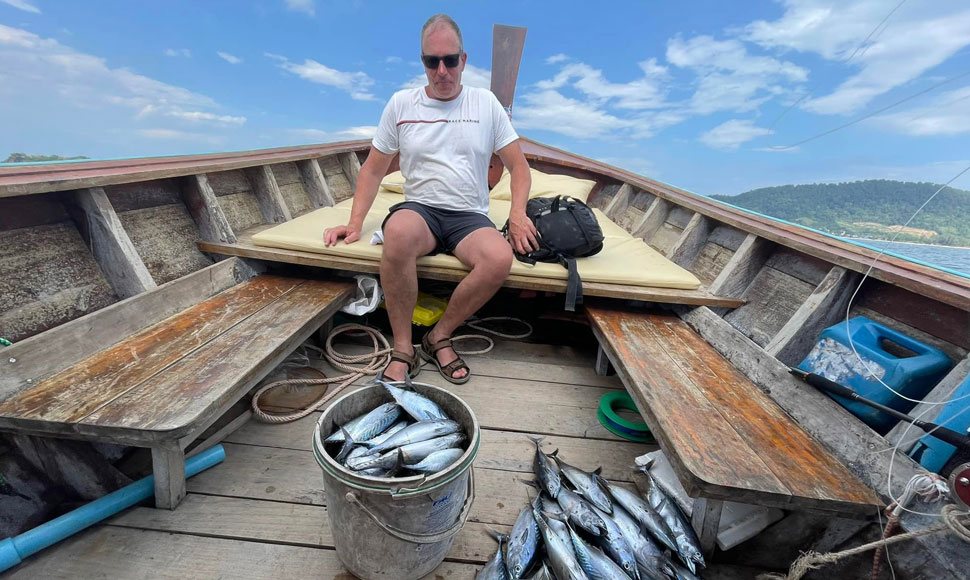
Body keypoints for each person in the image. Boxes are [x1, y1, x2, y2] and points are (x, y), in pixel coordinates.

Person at [324, 14, 537, 385]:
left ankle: (438, 335)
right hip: (421, 209)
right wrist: (354, 223)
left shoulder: (486, 105)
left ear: (463, 61)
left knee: (499, 259)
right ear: (423, 62)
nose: (441, 70)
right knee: (400, 233)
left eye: (450, 60)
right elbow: (373, 170)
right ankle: (403, 347)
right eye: (431, 61)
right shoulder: (401, 104)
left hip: (469, 215)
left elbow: (518, 168)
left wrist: (517, 213)